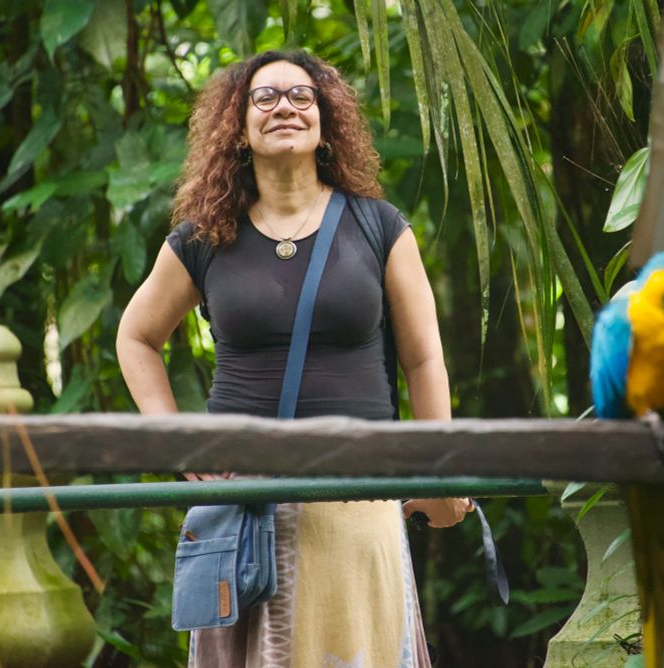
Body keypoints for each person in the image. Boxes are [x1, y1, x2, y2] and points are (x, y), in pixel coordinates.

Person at [116, 50, 470, 667]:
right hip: (243, 510)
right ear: (239, 127)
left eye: (301, 96)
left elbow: (423, 359)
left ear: (325, 122)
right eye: (265, 97)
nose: (285, 107)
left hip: (357, 499)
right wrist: (180, 442)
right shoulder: (205, 235)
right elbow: (136, 337)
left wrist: (438, 474)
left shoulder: (379, 226)